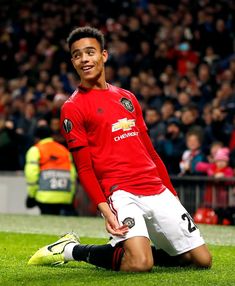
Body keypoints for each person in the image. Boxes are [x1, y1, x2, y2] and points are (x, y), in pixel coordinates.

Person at [28, 26, 212, 271]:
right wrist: (105, 209)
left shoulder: (127, 97)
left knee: (201, 261)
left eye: (90, 52)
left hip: (155, 188)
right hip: (121, 192)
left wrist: (172, 195)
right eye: (77, 55)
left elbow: (150, 151)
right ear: (73, 61)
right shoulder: (72, 107)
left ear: (103, 55)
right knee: (140, 263)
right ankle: (71, 249)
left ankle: (137, 246)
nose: (84, 59)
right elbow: (83, 167)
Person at [24, 123, 77, 215]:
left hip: (44, 196)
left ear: (36, 138)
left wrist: (32, 195)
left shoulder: (35, 150)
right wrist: (71, 194)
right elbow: (72, 175)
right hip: (64, 196)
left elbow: (31, 174)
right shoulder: (64, 150)